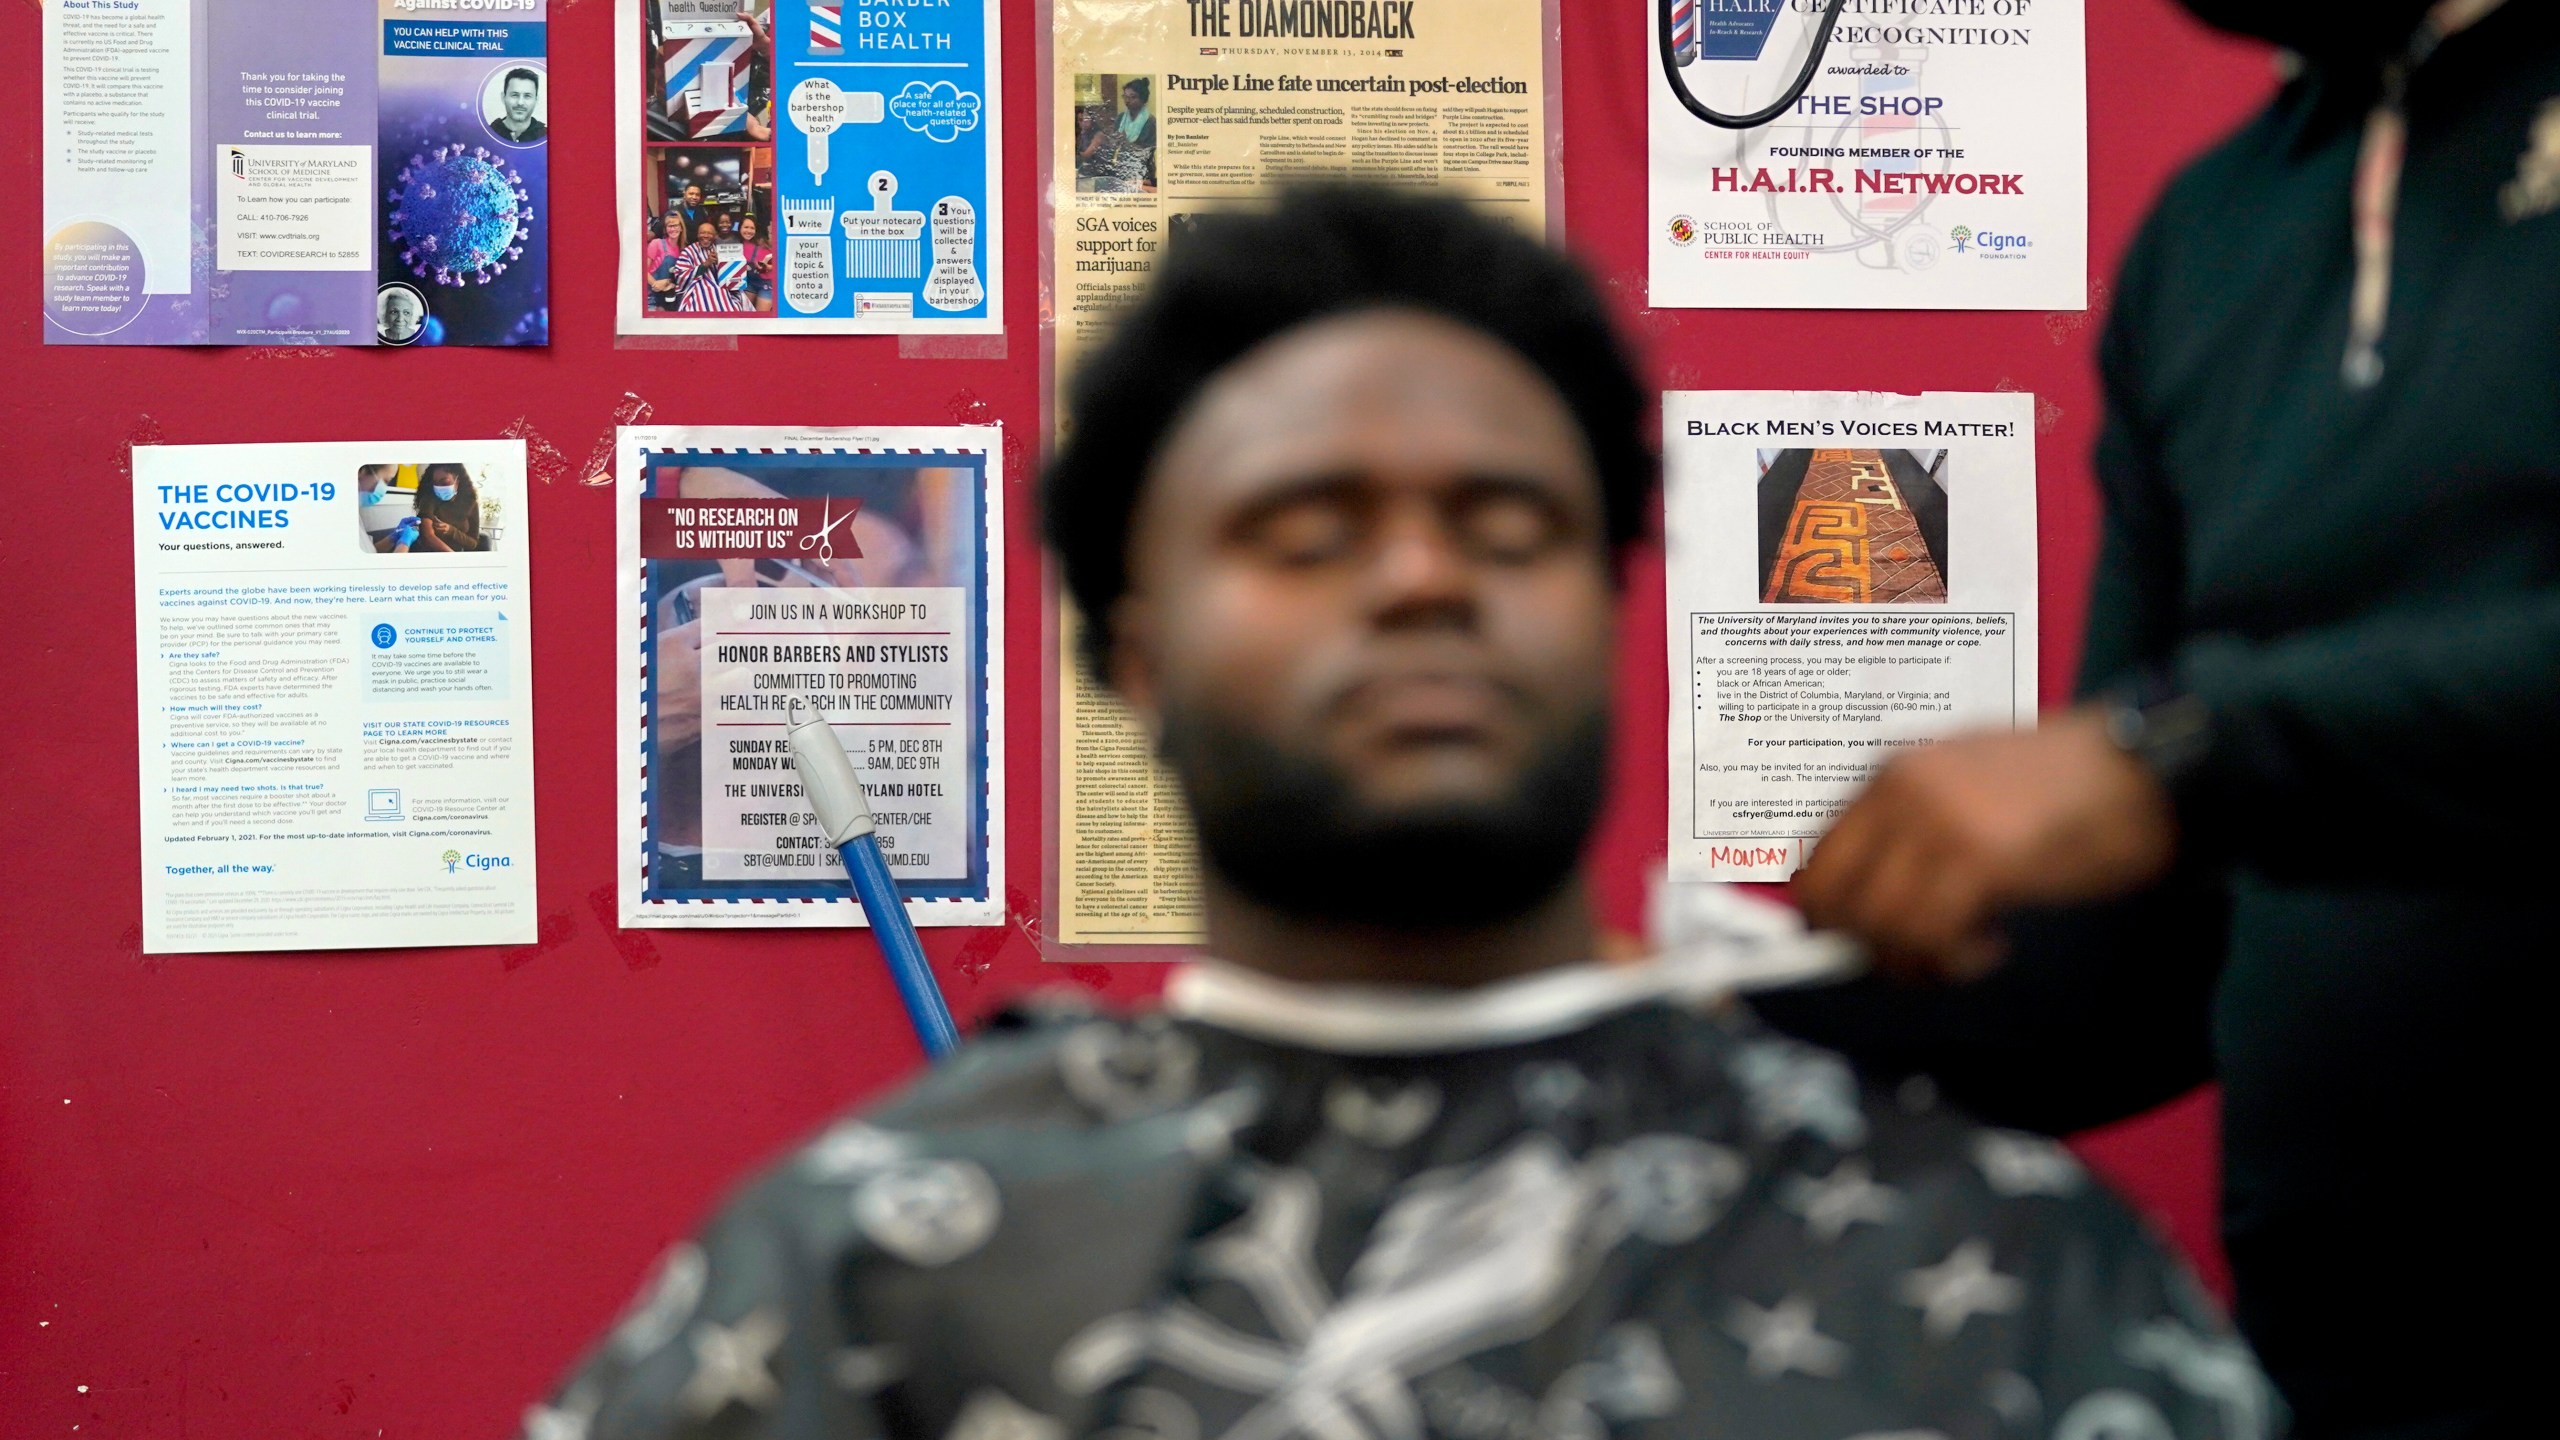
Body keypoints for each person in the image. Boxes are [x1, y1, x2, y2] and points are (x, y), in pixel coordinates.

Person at [520, 187, 2272, 1440]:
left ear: (1603, 607)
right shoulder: (880, 1266)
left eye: (1508, 526)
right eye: (1307, 531)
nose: (1424, 577)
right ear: (1133, 646)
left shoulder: (1983, 1264)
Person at [1768, 4, 2549, 1436]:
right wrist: (1711, 1015)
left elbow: (2183, 774)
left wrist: (2186, 758)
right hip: (2349, 1381)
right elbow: (2139, 956)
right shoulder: (2218, 232)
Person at [396, 464, 487, 553]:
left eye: (444, 482)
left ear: (457, 481)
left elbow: (473, 543)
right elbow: (427, 536)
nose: (439, 487)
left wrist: (451, 531)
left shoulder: (471, 504)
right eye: (435, 483)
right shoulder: (428, 500)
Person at [671, 218, 751, 314]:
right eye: (702, 233)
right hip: (697, 288)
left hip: (719, 286)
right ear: (697, 235)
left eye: (709, 233)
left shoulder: (719, 250)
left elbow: (729, 274)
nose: (705, 236)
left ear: (715, 236)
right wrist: (706, 264)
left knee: (728, 300)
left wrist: (724, 265)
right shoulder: (688, 251)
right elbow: (680, 276)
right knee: (704, 300)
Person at [490, 66, 546, 145]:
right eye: (515, 95)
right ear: (503, 97)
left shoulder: (546, 136)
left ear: (536, 100)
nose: (520, 102)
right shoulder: (487, 133)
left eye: (527, 96)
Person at [735, 214, 775, 310]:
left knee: (761, 316)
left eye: (752, 228)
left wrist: (770, 268)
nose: (749, 231)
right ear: (740, 228)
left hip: (767, 284)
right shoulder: (737, 244)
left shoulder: (764, 243)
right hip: (749, 283)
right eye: (746, 227)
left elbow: (782, 263)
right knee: (744, 312)